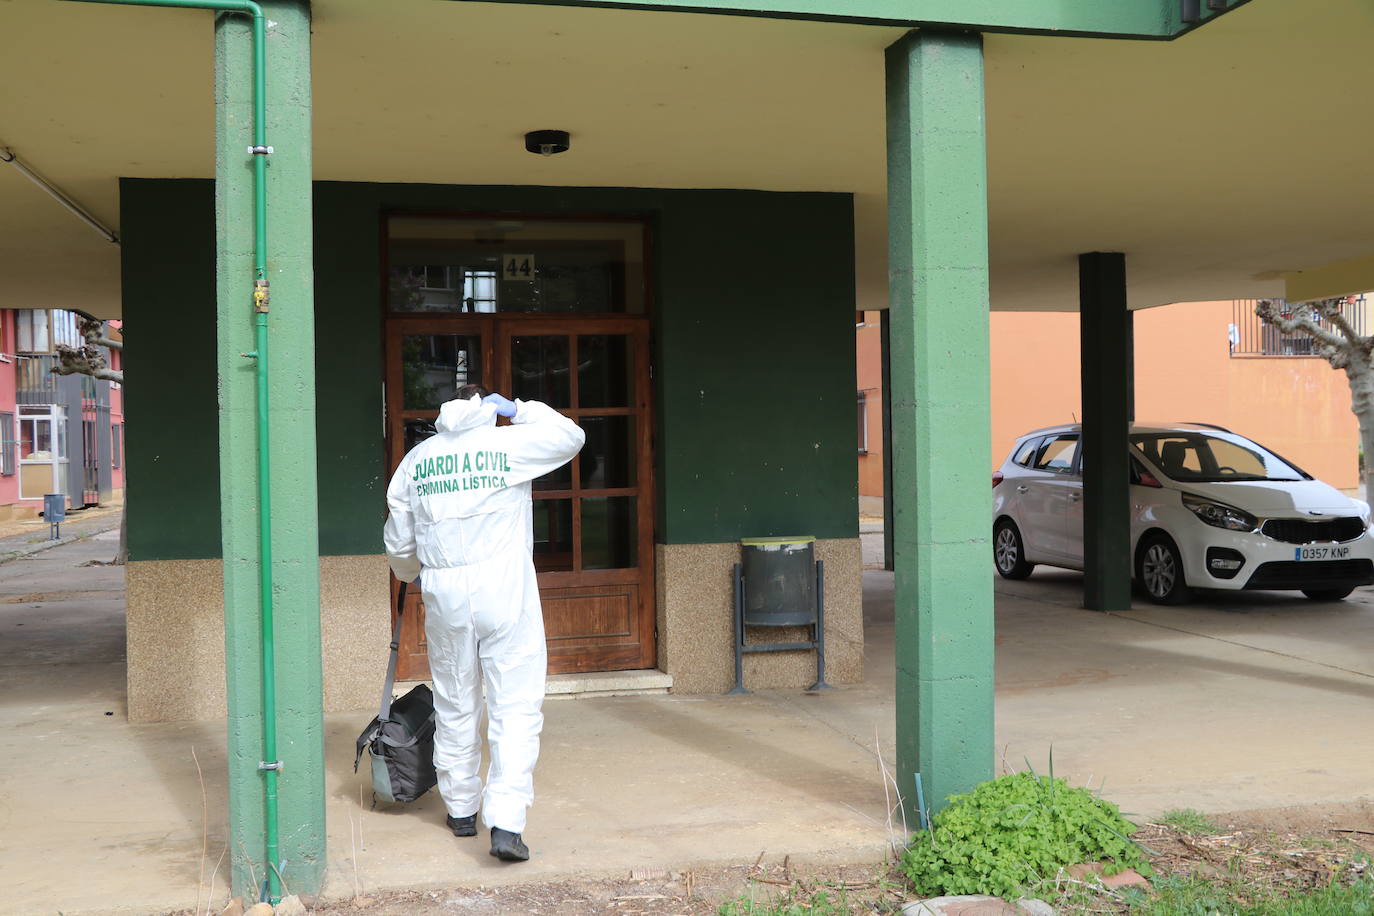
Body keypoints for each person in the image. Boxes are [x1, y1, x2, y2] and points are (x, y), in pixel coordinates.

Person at [383, 383, 585, 861]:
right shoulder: (505, 444)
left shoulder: (418, 460)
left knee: (455, 700)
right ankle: (507, 825)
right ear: (486, 410)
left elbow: (399, 546)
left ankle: (460, 810)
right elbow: (569, 436)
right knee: (514, 705)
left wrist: (418, 574)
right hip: (505, 588)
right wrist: (520, 410)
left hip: (445, 592)